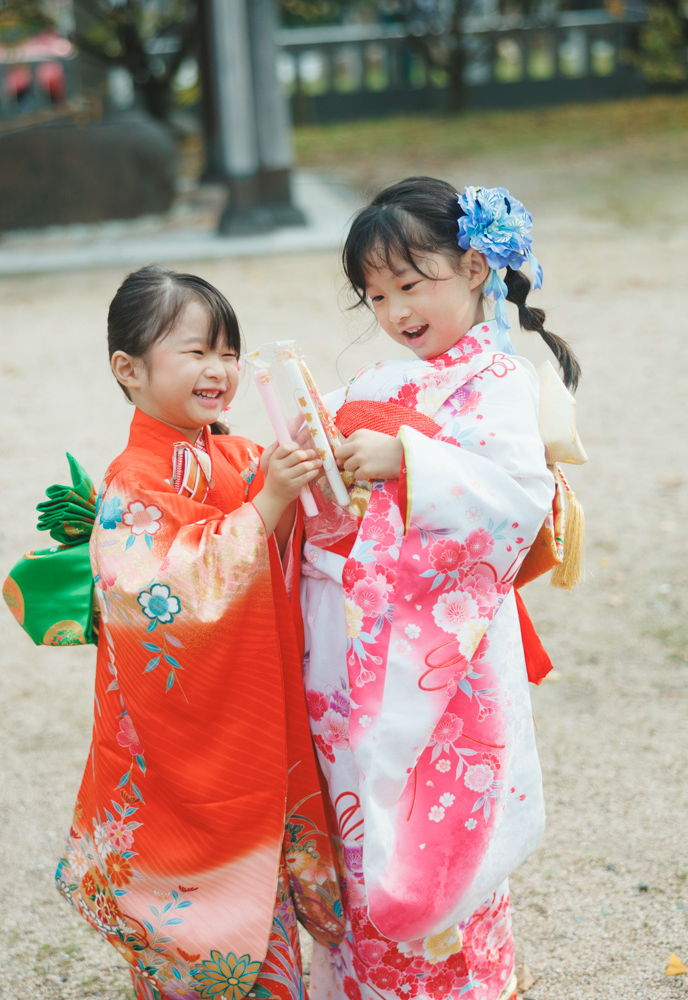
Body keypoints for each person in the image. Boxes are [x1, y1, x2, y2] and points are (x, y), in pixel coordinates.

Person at [300, 178, 581, 1000]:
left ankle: (462, 983)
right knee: (360, 807)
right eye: (376, 296)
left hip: (446, 655)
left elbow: (519, 498)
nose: (395, 311)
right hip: (358, 642)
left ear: (472, 268)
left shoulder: (498, 380)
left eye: (410, 284)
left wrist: (409, 461)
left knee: (444, 817)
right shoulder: (383, 380)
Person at [54, 266, 343, 1000]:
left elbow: (292, 541)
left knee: (264, 911)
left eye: (228, 352)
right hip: (178, 746)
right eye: (196, 351)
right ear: (129, 369)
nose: (218, 369)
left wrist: (305, 481)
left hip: (248, 726)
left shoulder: (237, 456)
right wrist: (265, 507)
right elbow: (160, 594)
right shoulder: (134, 480)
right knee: (185, 915)